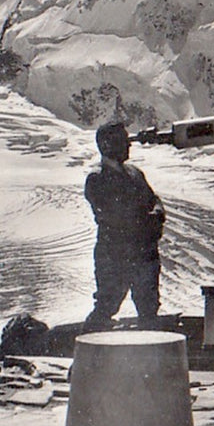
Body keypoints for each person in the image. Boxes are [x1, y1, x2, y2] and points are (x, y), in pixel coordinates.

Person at [83, 122, 166, 332]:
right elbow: (113, 216)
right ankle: (87, 347)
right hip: (115, 255)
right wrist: (147, 222)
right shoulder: (96, 179)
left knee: (149, 308)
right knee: (107, 305)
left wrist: (157, 212)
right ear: (106, 144)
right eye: (123, 140)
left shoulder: (135, 173)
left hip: (145, 254)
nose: (128, 145)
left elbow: (153, 198)